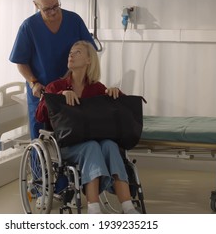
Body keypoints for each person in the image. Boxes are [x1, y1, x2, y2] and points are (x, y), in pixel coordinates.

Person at [36, 40, 139, 214]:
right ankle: (93, 208)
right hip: (66, 145)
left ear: (89, 60)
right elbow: (39, 115)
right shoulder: (56, 86)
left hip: (94, 142)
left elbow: (118, 111)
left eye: (77, 52)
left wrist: (115, 93)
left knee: (110, 146)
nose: (71, 55)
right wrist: (60, 97)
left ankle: (128, 207)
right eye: (70, 52)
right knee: (92, 147)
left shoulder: (97, 88)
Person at [9, 0, 96, 140]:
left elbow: (90, 51)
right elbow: (20, 61)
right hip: (43, 93)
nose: (53, 12)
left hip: (73, 89)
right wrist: (33, 82)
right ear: (36, 5)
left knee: (77, 136)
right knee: (42, 139)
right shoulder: (29, 27)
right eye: (47, 9)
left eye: (56, 6)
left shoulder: (74, 21)